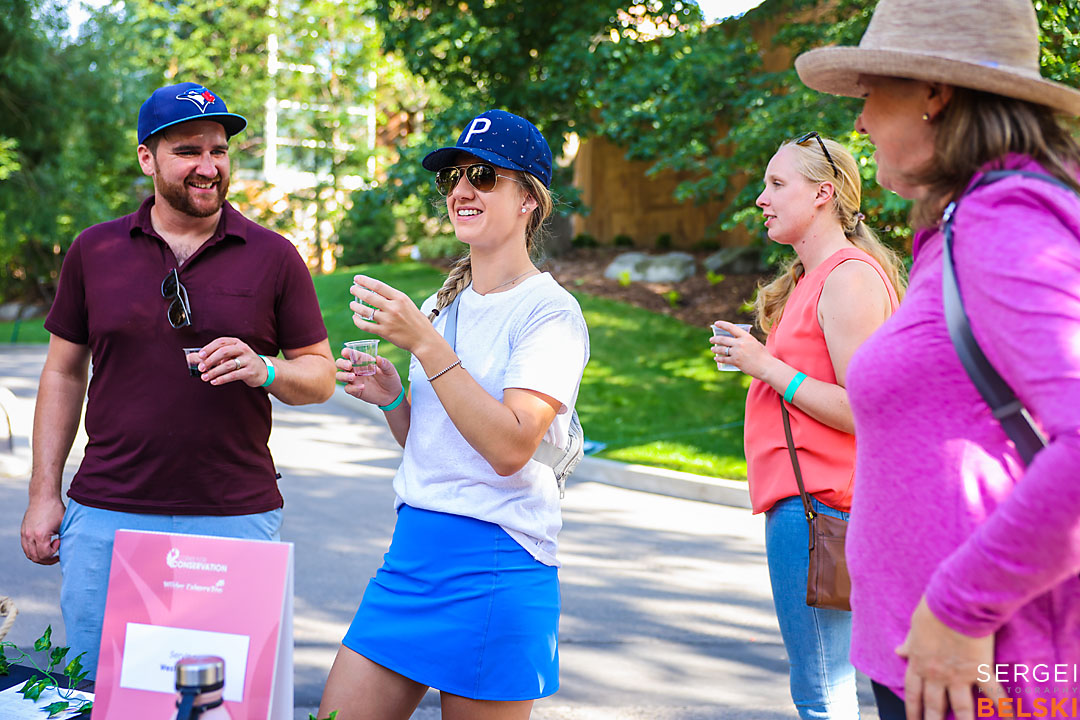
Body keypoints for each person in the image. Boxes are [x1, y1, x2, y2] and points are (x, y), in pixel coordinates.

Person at [794, 1, 1080, 718]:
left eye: (870, 95)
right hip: (937, 663)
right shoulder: (964, 225)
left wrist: (961, 606)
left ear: (935, 93)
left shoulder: (1004, 222)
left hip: (985, 670)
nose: (860, 123)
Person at [19, 81, 336, 677]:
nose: (208, 167)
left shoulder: (274, 255)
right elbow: (62, 372)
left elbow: (320, 375)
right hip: (107, 513)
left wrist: (266, 369)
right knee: (97, 695)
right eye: (189, 151)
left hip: (233, 518)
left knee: (219, 705)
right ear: (148, 158)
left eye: (219, 151)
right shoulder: (94, 250)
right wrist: (43, 495)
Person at [317, 109, 589, 720]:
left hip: (495, 563)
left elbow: (510, 448)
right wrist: (394, 399)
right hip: (413, 552)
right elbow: (437, 446)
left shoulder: (550, 313)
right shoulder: (441, 304)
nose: (462, 189)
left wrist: (425, 344)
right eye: (452, 178)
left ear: (529, 199)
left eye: (483, 176)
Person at [710, 133, 904, 719]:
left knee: (822, 691)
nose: (761, 198)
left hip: (824, 507)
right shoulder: (812, 278)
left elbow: (864, 410)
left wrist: (765, 365)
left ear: (823, 194)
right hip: (813, 505)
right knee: (826, 685)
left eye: (777, 184)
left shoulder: (848, 277)